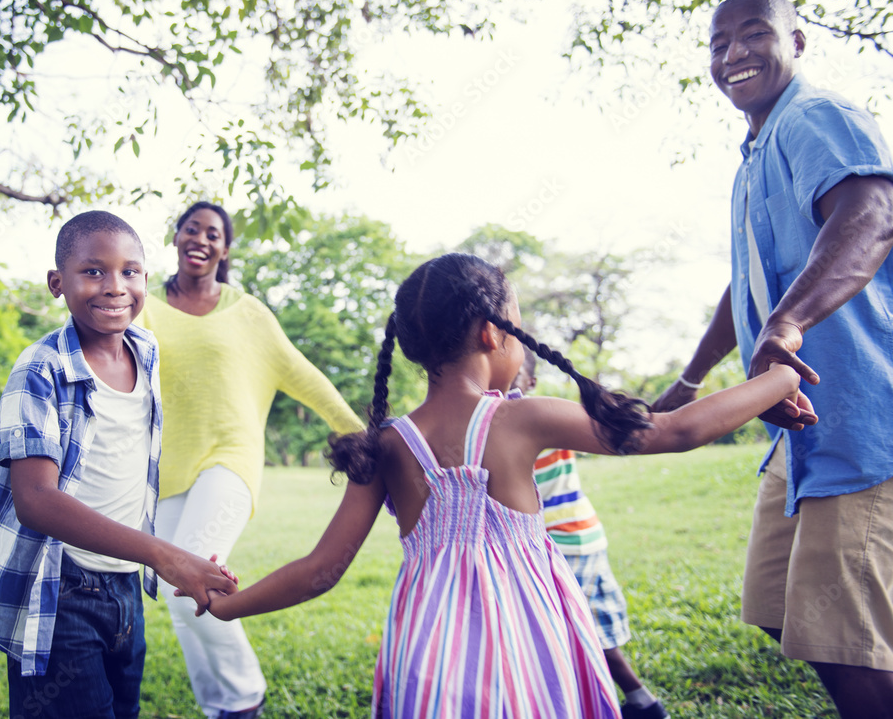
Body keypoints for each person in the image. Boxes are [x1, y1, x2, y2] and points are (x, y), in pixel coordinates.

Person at [192, 252, 807, 717]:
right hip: (530, 640)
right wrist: (779, 378)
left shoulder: (388, 444)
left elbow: (321, 568)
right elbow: (675, 430)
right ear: (492, 334)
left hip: (426, 652)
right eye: (516, 324)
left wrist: (226, 605)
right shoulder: (520, 416)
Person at [652, 0, 893, 719]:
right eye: (719, 44)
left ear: (798, 40)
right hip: (803, 436)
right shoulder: (754, 158)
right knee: (777, 602)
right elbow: (749, 281)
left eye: (754, 34)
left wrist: (786, 326)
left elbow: (873, 214)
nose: (734, 55)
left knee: (845, 640)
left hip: (861, 422)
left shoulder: (814, 117)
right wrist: (690, 379)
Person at [0, 211, 237, 719]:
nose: (115, 286)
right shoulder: (40, 368)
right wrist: (164, 555)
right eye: (93, 271)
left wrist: (182, 556)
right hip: (60, 591)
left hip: (124, 588)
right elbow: (36, 502)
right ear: (58, 283)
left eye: (130, 271)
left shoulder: (147, 349)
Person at [138, 201, 363, 719]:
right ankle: (219, 707)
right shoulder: (144, 307)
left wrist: (357, 432)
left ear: (225, 247)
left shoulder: (248, 312)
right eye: (191, 228)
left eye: (213, 233)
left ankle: (243, 700)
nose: (201, 238)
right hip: (166, 470)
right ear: (175, 237)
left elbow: (302, 374)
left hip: (231, 459)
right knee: (177, 594)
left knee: (195, 564)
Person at [512, 348, 669, 719]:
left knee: (568, 634)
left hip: (564, 542)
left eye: (515, 376)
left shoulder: (531, 421)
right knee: (589, 630)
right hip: (577, 538)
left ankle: (597, 703)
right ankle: (642, 701)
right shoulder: (528, 418)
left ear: (531, 383)